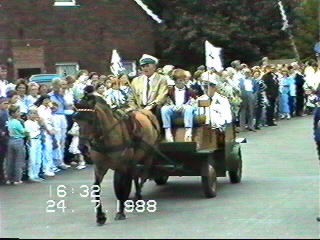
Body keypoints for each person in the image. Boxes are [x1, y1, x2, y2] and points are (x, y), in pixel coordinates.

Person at [160, 69, 197, 142]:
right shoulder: (169, 91)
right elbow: (165, 102)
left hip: (185, 112)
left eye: (183, 80)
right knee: (164, 109)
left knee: (189, 108)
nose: (182, 82)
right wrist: (171, 105)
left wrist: (185, 106)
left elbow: (195, 104)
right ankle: (168, 132)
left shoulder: (190, 91)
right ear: (175, 81)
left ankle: (188, 133)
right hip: (173, 111)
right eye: (180, 80)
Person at [48, 78, 70, 169]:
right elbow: (51, 107)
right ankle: (55, 161)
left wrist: (62, 96)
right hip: (55, 116)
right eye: (60, 85)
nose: (62, 87)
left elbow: (66, 105)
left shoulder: (61, 95)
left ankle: (61, 161)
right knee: (56, 139)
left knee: (62, 139)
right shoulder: (50, 96)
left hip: (62, 116)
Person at [5, 105, 27, 185]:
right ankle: (17, 179)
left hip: (10, 141)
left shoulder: (9, 121)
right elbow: (23, 131)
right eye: (18, 112)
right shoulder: (17, 122)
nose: (19, 113)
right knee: (19, 161)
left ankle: (9, 178)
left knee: (10, 161)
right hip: (18, 141)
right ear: (13, 113)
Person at [24, 109, 43, 182]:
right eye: (33, 113)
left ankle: (36, 174)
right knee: (32, 159)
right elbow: (27, 134)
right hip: (32, 141)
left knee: (38, 159)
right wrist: (29, 141)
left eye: (36, 113)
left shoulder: (36, 122)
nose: (35, 115)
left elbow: (40, 129)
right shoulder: (27, 123)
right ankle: (31, 175)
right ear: (28, 115)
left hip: (38, 140)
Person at [0, 97, 9, 182]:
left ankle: (3, 176)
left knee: (3, 158)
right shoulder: (1, 113)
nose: (6, 105)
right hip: (1, 138)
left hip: (5, 138)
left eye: (7, 103)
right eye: (4, 103)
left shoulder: (6, 113)